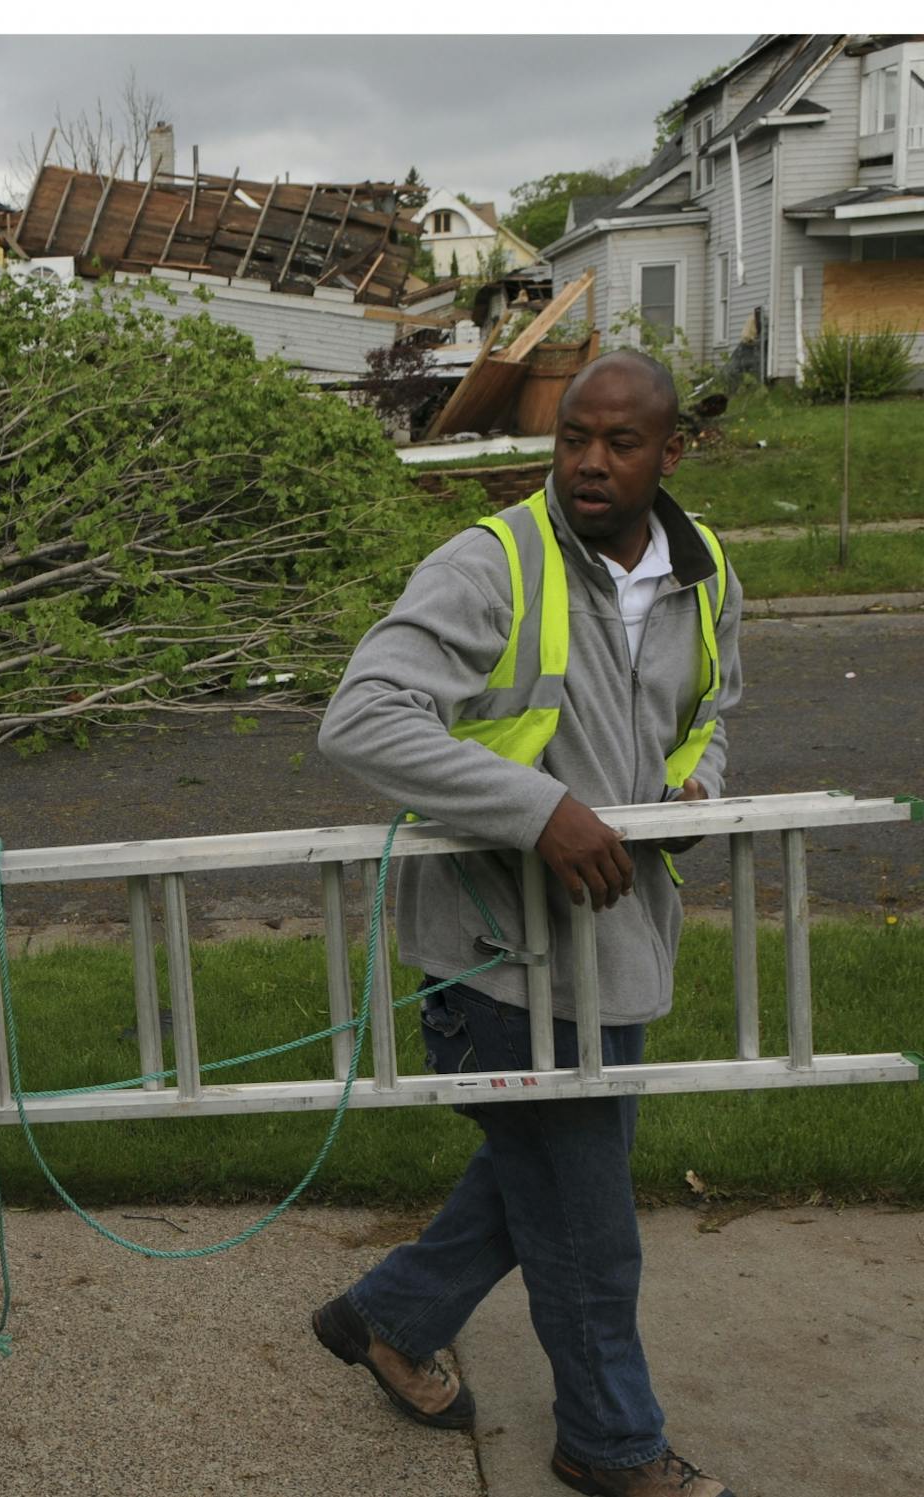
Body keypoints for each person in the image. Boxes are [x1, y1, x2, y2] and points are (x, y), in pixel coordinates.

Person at [307, 351, 744, 1497]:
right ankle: (610, 1444)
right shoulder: (491, 563)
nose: (590, 464)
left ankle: (384, 1316)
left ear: (671, 451)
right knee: (589, 1227)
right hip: (500, 958)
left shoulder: (705, 579)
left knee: (545, 1178)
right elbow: (361, 721)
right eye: (572, 440)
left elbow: (712, 719)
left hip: (619, 950)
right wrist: (540, 808)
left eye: (620, 444)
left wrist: (696, 798)